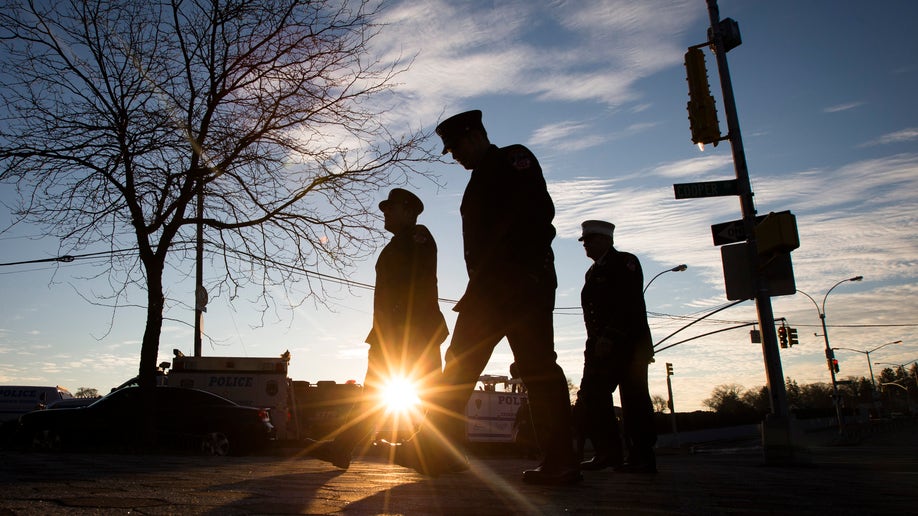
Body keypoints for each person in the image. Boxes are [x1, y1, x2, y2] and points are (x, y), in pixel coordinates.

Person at [395, 110, 580, 485]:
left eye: (458, 146)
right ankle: (433, 449)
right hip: (487, 290)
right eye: (450, 150)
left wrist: (523, 273)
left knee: (538, 369)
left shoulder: (512, 159)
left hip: (521, 284)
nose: (455, 155)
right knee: (459, 364)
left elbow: (538, 214)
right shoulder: (478, 179)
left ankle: (561, 461)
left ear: (476, 135)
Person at [307, 188, 448, 469]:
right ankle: (343, 448)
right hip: (389, 334)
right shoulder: (395, 245)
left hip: (413, 333)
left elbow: (415, 286)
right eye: (385, 209)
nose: (385, 213)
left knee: (434, 393)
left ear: (409, 211)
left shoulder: (418, 237)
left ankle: (438, 452)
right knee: (375, 395)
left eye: (391, 208)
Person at [575, 220, 657, 473]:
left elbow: (628, 303)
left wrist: (610, 336)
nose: (586, 245)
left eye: (591, 240)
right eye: (585, 241)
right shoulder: (591, 273)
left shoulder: (625, 262)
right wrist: (594, 344)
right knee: (593, 397)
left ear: (607, 240)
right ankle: (607, 453)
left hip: (628, 346)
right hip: (600, 349)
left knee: (634, 401)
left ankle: (641, 456)